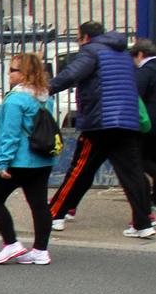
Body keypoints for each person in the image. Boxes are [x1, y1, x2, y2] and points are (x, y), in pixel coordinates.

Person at [46, 21, 153, 238]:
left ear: (85, 37)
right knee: (132, 174)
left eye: (78, 36)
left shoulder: (91, 51)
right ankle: (143, 224)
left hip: (100, 121)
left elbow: (71, 75)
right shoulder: (123, 54)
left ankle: (54, 214)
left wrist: (44, 88)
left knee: (80, 169)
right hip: (127, 121)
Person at [0, 53, 56, 265]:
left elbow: (10, 134)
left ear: (25, 73)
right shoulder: (45, 97)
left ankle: (11, 244)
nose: (9, 74)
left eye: (13, 70)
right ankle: (40, 250)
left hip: (19, 161)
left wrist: (2, 163)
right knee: (39, 205)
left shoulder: (16, 99)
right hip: (42, 160)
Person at [134, 38, 156, 205]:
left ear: (140, 54)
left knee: (138, 160)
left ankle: (146, 199)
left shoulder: (145, 71)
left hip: (149, 123)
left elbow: (135, 95)